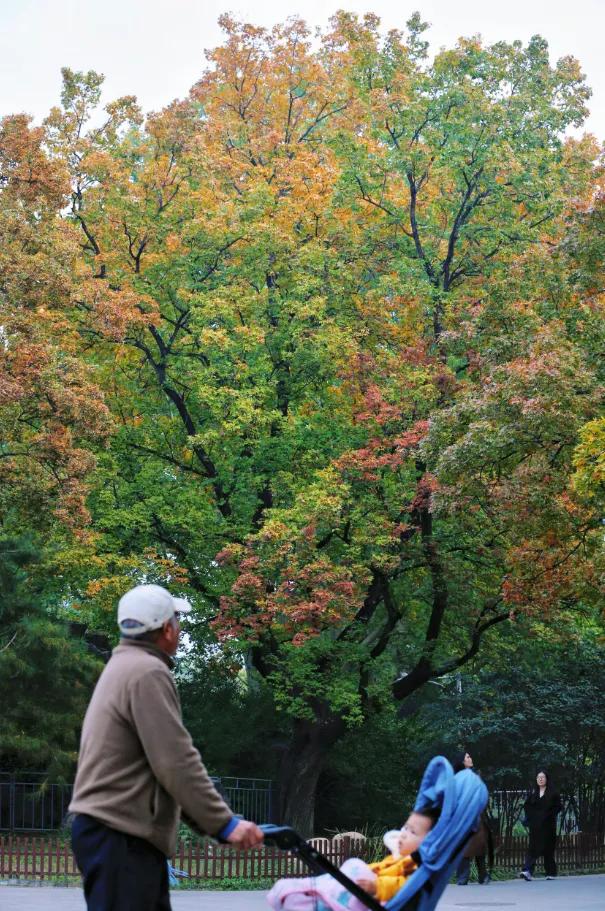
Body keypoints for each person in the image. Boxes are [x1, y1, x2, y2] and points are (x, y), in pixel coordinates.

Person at [69, 584, 264, 911]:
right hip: (120, 836)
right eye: (178, 621)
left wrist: (214, 825)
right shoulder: (147, 672)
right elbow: (175, 762)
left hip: (116, 835)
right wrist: (225, 824)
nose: (180, 628)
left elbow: (164, 770)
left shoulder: (125, 667)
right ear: (167, 630)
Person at [266, 807, 439, 911]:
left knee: (355, 865)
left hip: (373, 897)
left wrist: (375, 886)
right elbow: (375, 869)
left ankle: (321, 898)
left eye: (412, 832)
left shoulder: (416, 867)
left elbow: (404, 885)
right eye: (405, 828)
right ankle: (321, 891)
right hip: (363, 890)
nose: (403, 835)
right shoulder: (397, 858)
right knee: (354, 865)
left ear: (430, 843)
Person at [452, 751, 492, 885]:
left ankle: (483, 875)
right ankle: (463, 876)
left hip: (476, 817)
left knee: (479, 844)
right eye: (468, 757)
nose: (471, 758)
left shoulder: (476, 776)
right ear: (462, 761)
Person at [520, 770, 562, 881]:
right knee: (533, 848)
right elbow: (527, 806)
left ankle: (551, 872)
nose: (540, 779)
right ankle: (527, 871)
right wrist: (531, 818)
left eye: (543, 777)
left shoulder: (553, 793)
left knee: (548, 850)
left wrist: (548, 816)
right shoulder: (533, 794)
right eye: (538, 777)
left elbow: (558, 807)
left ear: (547, 779)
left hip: (548, 826)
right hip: (535, 827)